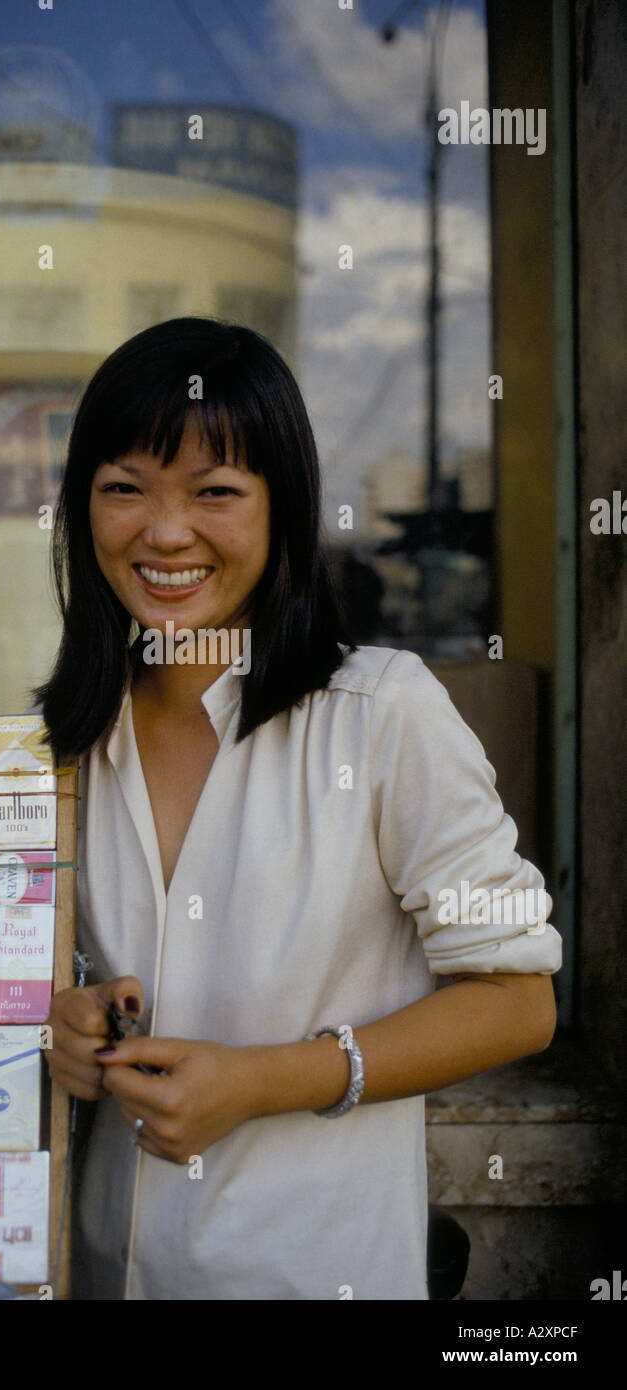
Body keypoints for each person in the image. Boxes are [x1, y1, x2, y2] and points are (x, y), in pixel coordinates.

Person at [32, 317, 561, 1301]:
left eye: (215, 492)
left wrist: (260, 1080)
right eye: (123, 488)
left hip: (315, 1276)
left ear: (283, 509)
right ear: (80, 509)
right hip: (102, 1271)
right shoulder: (61, 745)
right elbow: (60, 985)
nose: (165, 530)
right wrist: (69, 1021)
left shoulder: (380, 713)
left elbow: (519, 1001)